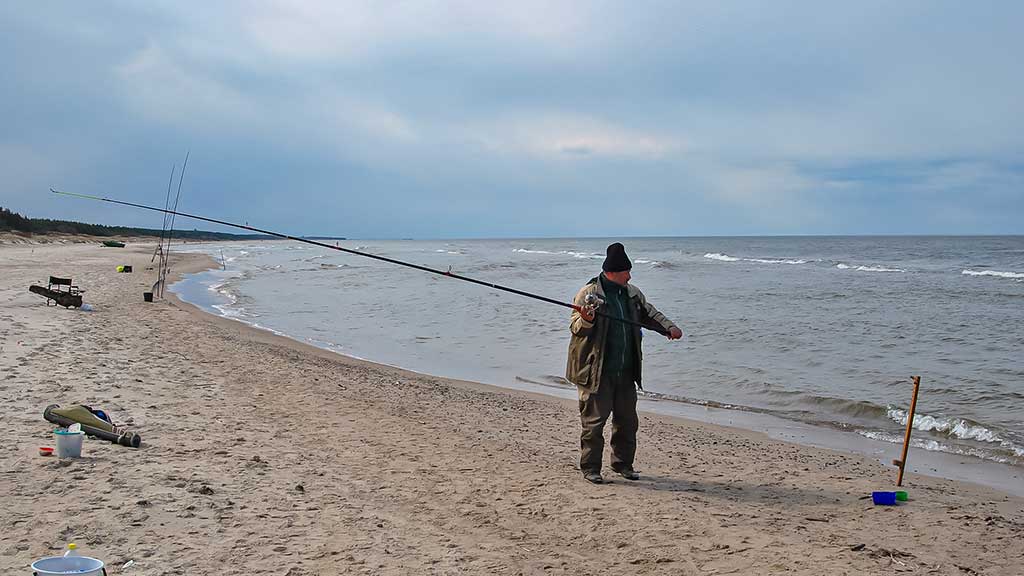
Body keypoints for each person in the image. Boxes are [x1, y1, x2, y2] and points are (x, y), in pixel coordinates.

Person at [566, 242, 682, 484]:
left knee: (627, 422)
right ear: (611, 273)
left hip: (626, 371)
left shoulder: (632, 293)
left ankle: (623, 465)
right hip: (594, 372)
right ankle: (591, 469)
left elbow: (650, 314)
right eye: (625, 272)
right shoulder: (589, 293)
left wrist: (669, 328)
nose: (629, 275)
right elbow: (576, 328)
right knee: (593, 425)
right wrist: (587, 319)